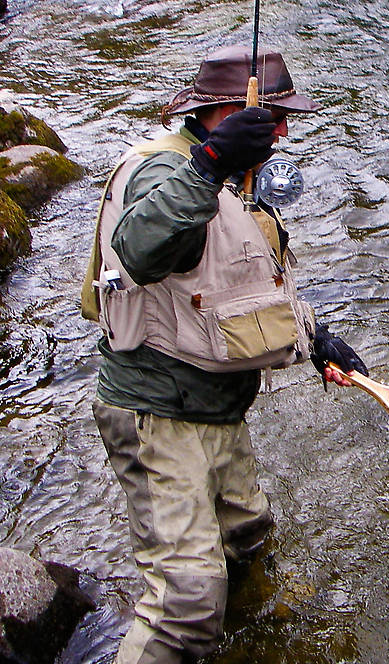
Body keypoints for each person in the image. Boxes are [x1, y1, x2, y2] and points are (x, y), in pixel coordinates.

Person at [81, 45, 367, 664]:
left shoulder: (243, 179)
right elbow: (137, 248)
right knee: (185, 601)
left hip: (216, 407)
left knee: (245, 541)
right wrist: (211, 164)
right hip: (158, 412)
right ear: (225, 113)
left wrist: (315, 341)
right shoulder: (166, 172)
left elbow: (244, 284)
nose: (285, 130)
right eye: (274, 114)